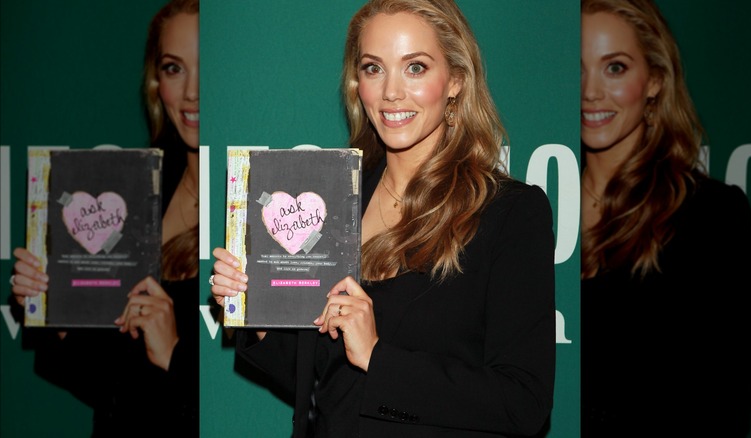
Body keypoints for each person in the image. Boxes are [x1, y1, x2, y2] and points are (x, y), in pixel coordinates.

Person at [210, 0, 556, 436]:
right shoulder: (338, 203)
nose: (391, 92)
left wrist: (377, 357)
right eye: (374, 68)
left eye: (415, 68)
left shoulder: (508, 212)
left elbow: (523, 402)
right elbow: (326, 383)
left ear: (456, 82)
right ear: (358, 84)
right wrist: (256, 310)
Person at [9, 0, 200, 436]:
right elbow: (108, 383)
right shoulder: (137, 190)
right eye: (174, 68)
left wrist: (173, 353)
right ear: (156, 83)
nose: (192, 92)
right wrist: (53, 307)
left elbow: (256, 394)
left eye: (206, 66)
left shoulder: (249, 209)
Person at [579, 0, 751, 435]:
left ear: (654, 80)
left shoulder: (709, 213)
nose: (590, 91)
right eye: (576, 67)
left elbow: (725, 404)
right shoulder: (538, 208)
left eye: (615, 68)